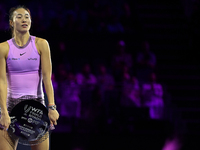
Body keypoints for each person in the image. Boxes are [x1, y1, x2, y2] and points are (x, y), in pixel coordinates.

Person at [0, 5, 59, 150]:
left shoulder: (41, 44)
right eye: (19, 17)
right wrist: (4, 112)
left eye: (27, 16)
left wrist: (51, 107)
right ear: (11, 23)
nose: (24, 19)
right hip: (10, 108)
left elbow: (47, 78)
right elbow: (1, 82)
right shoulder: (3, 48)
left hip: (36, 107)